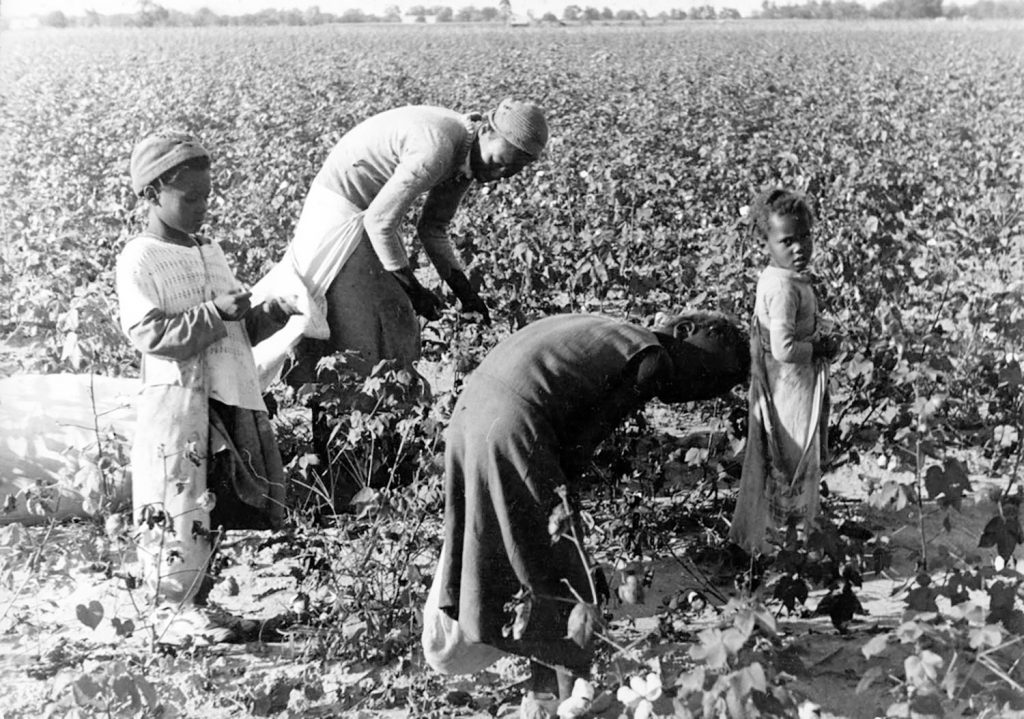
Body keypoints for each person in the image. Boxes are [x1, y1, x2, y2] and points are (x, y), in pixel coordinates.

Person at [422, 311, 750, 712]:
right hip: (514, 423)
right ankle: (567, 699)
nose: (700, 391)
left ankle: (541, 691)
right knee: (560, 569)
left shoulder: (608, 328)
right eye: (709, 375)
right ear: (684, 332)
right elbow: (582, 442)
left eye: (715, 390)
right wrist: (562, 495)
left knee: (524, 554)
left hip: (472, 413)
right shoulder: (653, 357)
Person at [116, 132, 321, 642]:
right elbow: (150, 334)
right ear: (152, 194)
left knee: (217, 498)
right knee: (177, 498)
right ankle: (168, 611)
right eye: (190, 199)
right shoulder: (140, 258)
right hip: (180, 399)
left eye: (207, 197)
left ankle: (198, 603)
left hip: (228, 393)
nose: (201, 208)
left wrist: (271, 312)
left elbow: (233, 329)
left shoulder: (210, 250)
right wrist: (214, 312)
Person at [251, 98, 549, 381]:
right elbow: (379, 222)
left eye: (511, 171)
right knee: (373, 321)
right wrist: (415, 291)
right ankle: (345, 412)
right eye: (499, 162)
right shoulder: (437, 148)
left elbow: (433, 227)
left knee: (392, 323)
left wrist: (467, 294)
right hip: (340, 212)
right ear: (485, 130)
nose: (498, 174)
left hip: (366, 213)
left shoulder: (471, 155)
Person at [729, 188, 841, 556]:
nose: (799, 248)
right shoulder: (781, 287)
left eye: (805, 237)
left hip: (790, 387)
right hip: (788, 392)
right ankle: (784, 549)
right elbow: (784, 348)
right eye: (787, 241)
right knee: (789, 463)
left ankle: (781, 542)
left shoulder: (787, 279)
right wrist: (820, 348)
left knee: (786, 462)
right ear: (767, 242)